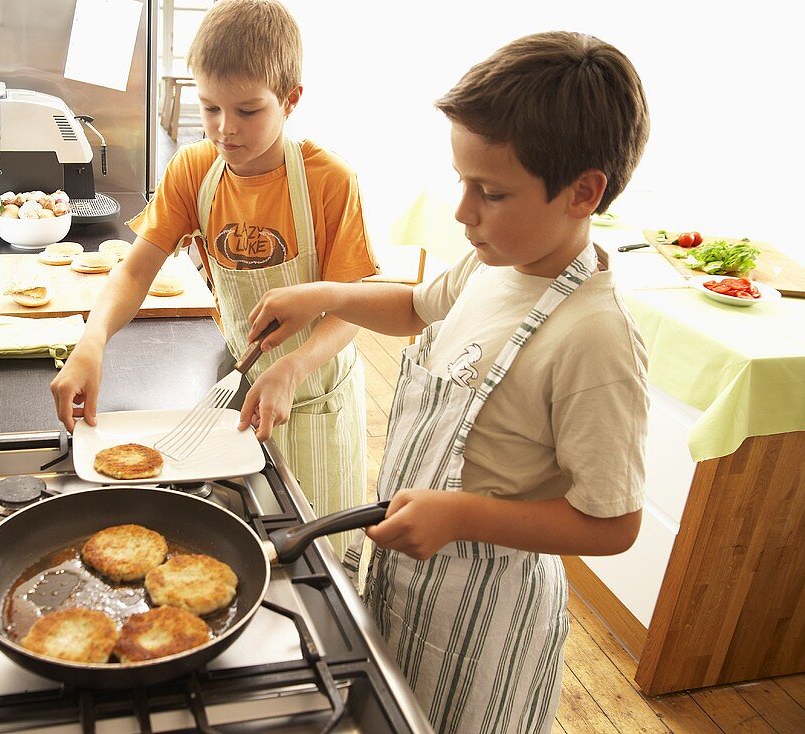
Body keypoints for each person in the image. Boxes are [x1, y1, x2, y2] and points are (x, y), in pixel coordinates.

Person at [244, 31, 650, 733]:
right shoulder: (497, 262)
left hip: (491, 608)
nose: (463, 212)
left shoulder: (594, 338)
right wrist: (326, 296)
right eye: (462, 182)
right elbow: (414, 308)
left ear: (584, 192)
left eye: (490, 192)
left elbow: (615, 523)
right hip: (415, 575)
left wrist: (460, 515)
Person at [50, 0, 374, 554]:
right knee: (249, 539)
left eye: (248, 111)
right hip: (242, 383)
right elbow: (134, 272)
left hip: (316, 392)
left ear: (290, 100)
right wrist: (91, 340)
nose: (225, 130)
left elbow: (354, 306)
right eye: (210, 108)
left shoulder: (329, 180)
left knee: (316, 552)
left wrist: (294, 367)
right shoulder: (195, 171)